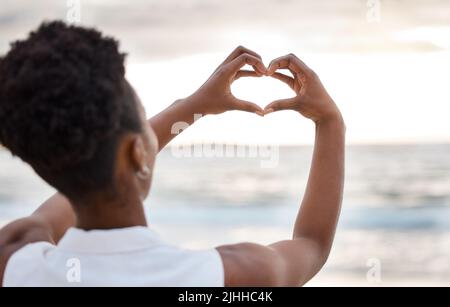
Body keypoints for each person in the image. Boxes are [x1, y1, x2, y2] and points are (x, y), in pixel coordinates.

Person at [0, 21, 345, 287]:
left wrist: (191, 106)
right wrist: (330, 121)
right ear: (138, 152)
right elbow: (311, 244)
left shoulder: (15, 259)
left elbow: (71, 171)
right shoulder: (226, 276)